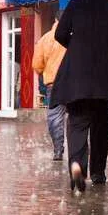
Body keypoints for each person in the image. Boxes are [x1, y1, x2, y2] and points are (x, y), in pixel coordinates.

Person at [52, 0, 108, 192]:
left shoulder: (76, 3)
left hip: (77, 76)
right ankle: (98, 173)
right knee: (102, 126)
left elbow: (59, 34)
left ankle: (77, 165)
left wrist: (77, 46)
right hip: (106, 77)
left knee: (77, 123)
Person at [32, 14, 67, 161]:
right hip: (74, 83)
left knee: (55, 117)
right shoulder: (75, 37)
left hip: (53, 84)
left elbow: (37, 65)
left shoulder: (45, 39)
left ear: (55, 20)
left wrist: (46, 71)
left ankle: (58, 150)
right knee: (78, 117)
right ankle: (79, 150)